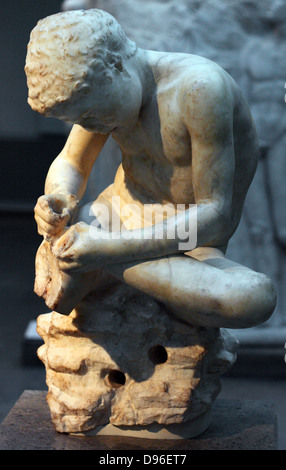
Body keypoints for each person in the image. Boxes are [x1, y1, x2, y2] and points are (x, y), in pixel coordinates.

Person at [25, 9, 276, 329]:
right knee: (76, 243)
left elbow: (215, 216)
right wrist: (58, 195)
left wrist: (108, 249)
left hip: (189, 242)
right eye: (81, 120)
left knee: (254, 298)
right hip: (115, 217)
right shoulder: (101, 91)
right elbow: (72, 161)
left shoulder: (200, 89)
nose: (90, 126)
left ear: (115, 66)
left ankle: (98, 267)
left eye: (90, 115)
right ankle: (99, 263)